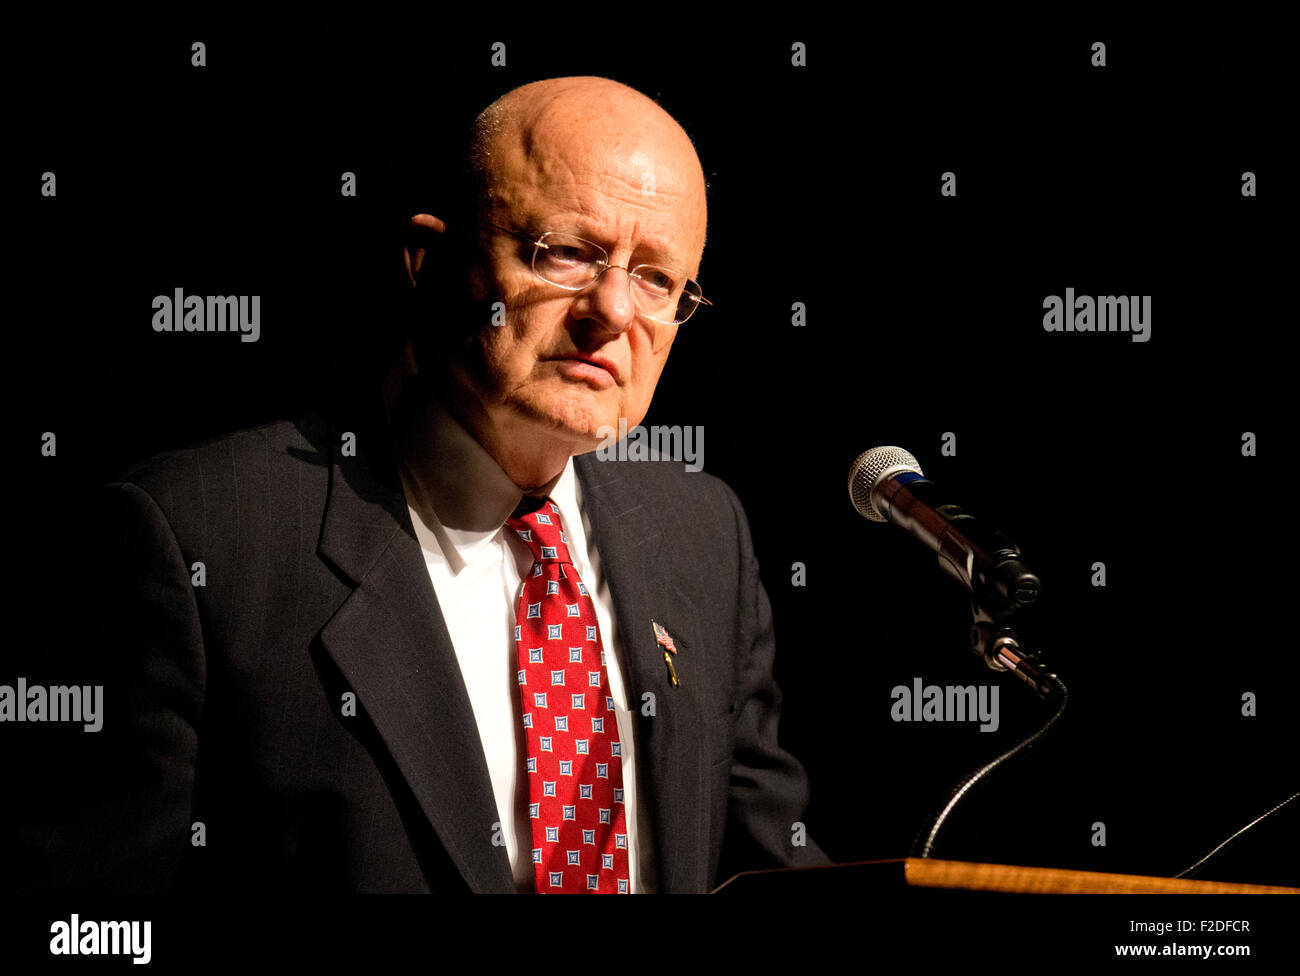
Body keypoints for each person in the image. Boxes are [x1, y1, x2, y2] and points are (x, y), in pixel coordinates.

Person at [49, 76, 828, 893]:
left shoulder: (705, 535)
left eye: (657, 279)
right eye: (566, 252)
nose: (611, 309)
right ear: (430, 261)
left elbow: (770, 876)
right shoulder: (196, 537)